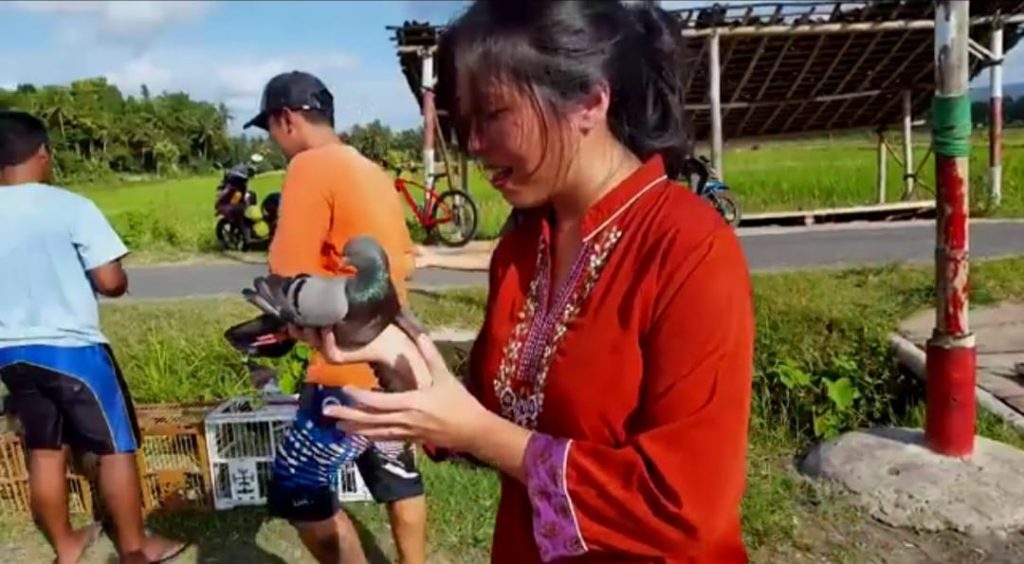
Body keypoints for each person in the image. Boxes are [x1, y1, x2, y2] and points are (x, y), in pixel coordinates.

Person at [287, 2, 756, 563]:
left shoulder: (687, 245)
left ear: (590, 101)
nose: (476, 145)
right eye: (466, 124)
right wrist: (393, 354)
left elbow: (687, 508)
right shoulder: (521, 246)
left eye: (492, 115)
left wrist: (482, 433)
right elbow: (492, 414)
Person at [242, 71, 426, 564]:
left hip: (343, 362)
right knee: (394, 470)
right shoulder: (370, 169)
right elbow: (401, 259)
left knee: (297, 486)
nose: (275, 141)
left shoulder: (309, 167)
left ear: (286, 119)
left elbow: (286, 272)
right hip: (392, 359)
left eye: (271, 130)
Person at [0, 110, 187, 564]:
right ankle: (135, 548)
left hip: (10, 353)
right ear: (43, 153)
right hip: (73, 352)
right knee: (115, 448)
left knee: (44, 450)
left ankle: (65, 545)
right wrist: (116, 280)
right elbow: (110, 280)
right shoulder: (70, 206)